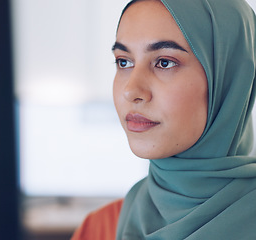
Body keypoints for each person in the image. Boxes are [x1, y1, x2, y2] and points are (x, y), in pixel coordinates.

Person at [72, 0, 256, 239]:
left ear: (230, 80)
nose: (131, 90)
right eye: (123, 62)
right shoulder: (99, 229)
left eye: (164, 62)